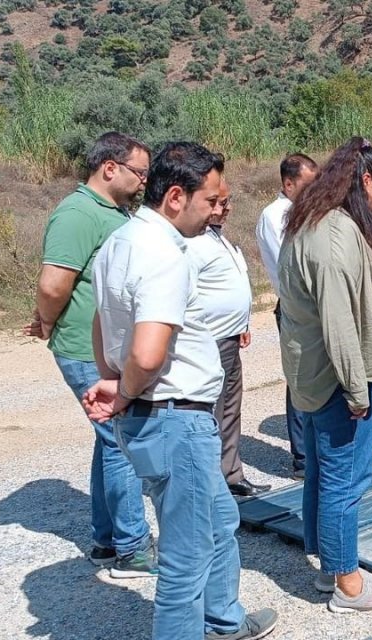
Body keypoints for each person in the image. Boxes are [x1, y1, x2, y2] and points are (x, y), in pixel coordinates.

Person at [83, 142, 278, 639]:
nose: (218, 210)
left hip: (161, 418)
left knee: (217, 521)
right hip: (176, 419)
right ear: (175, 196)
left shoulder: (119, 242)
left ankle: (224, 621)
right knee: (184, 562)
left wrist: (113, 379)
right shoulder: (165, 253)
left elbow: (99, 324)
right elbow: (148, 353)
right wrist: (126, 389)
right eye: (212, 200)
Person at [278, 137, 372, 613]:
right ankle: (349, 585)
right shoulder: (334, 236)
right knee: (345, 480)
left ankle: (333, 566)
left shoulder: (311, 222)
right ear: (365, 180)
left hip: (313, 373)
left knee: (324, 474)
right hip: (338, 378)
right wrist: (358, 389)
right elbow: (338, 322)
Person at [23, 132, 156, 577]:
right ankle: (132, 549)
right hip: (85, 349)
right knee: (121, 444)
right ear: (110, 167)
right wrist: (46, 321)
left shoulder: (111, 212)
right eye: (139, 172)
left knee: (109, 441)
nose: (144, 181)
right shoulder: (78, 212)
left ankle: (105, 539)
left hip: (104, 348)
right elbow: (53, 284)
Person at [185, 179, 271, 497]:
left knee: (231, 408)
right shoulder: (191, 242)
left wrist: (243, 322)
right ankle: (210, 482)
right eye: (219, 202)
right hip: (210, 340)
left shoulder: (219, 238)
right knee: (212, 412)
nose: (226, 207)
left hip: (232, 337)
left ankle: (231, 474)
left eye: (227, 201)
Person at [255, 153, 319, 478]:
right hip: (296, 307)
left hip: (317, 307)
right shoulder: (274, 216)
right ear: (289, 183)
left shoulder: (306, 212)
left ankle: (318, 451)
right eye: (308, 185)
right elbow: (292, 267)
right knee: (300, 381)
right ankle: (304, 459)